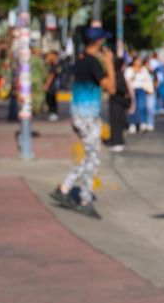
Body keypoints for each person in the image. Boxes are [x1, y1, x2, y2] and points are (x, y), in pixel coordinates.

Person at [49, 27, 115, 219]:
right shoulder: (94, 63)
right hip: (88, 117)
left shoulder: (79, 60)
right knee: (93, 158)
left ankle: (64, 188)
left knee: (90, 157)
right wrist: (109, 64)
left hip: (78, 114)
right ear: (98, 42)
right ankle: (84, 200)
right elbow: (110, 88)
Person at [106, 57, 131, 152]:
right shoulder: (118, 74)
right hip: (117, 102)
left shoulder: (117, 74)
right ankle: (116, 141)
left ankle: (117, 142)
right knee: (116, 123)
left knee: (117, 123)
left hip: (117, 102)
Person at [125, 55, 154, 133]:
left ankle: (142, 122)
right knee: (132, 107)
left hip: (141, 89)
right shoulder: (129, 69)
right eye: (137, 61)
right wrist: (135, 74)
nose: (138, 62)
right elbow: (128, 79)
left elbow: (147, 79)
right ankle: (132, 124)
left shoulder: (143, 70)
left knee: (141, 106)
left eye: (139, 61)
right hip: (132, 90)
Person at [44, 50, 62, 121]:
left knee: (50, 98)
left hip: (52, 85)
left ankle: (53, 113)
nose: (49, 57)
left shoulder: (55, 64)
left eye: (50, 55)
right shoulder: (53, 63)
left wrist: (47, 85)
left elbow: (51, 75)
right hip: (54, 84)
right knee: (51, 98)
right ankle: (52, 113)